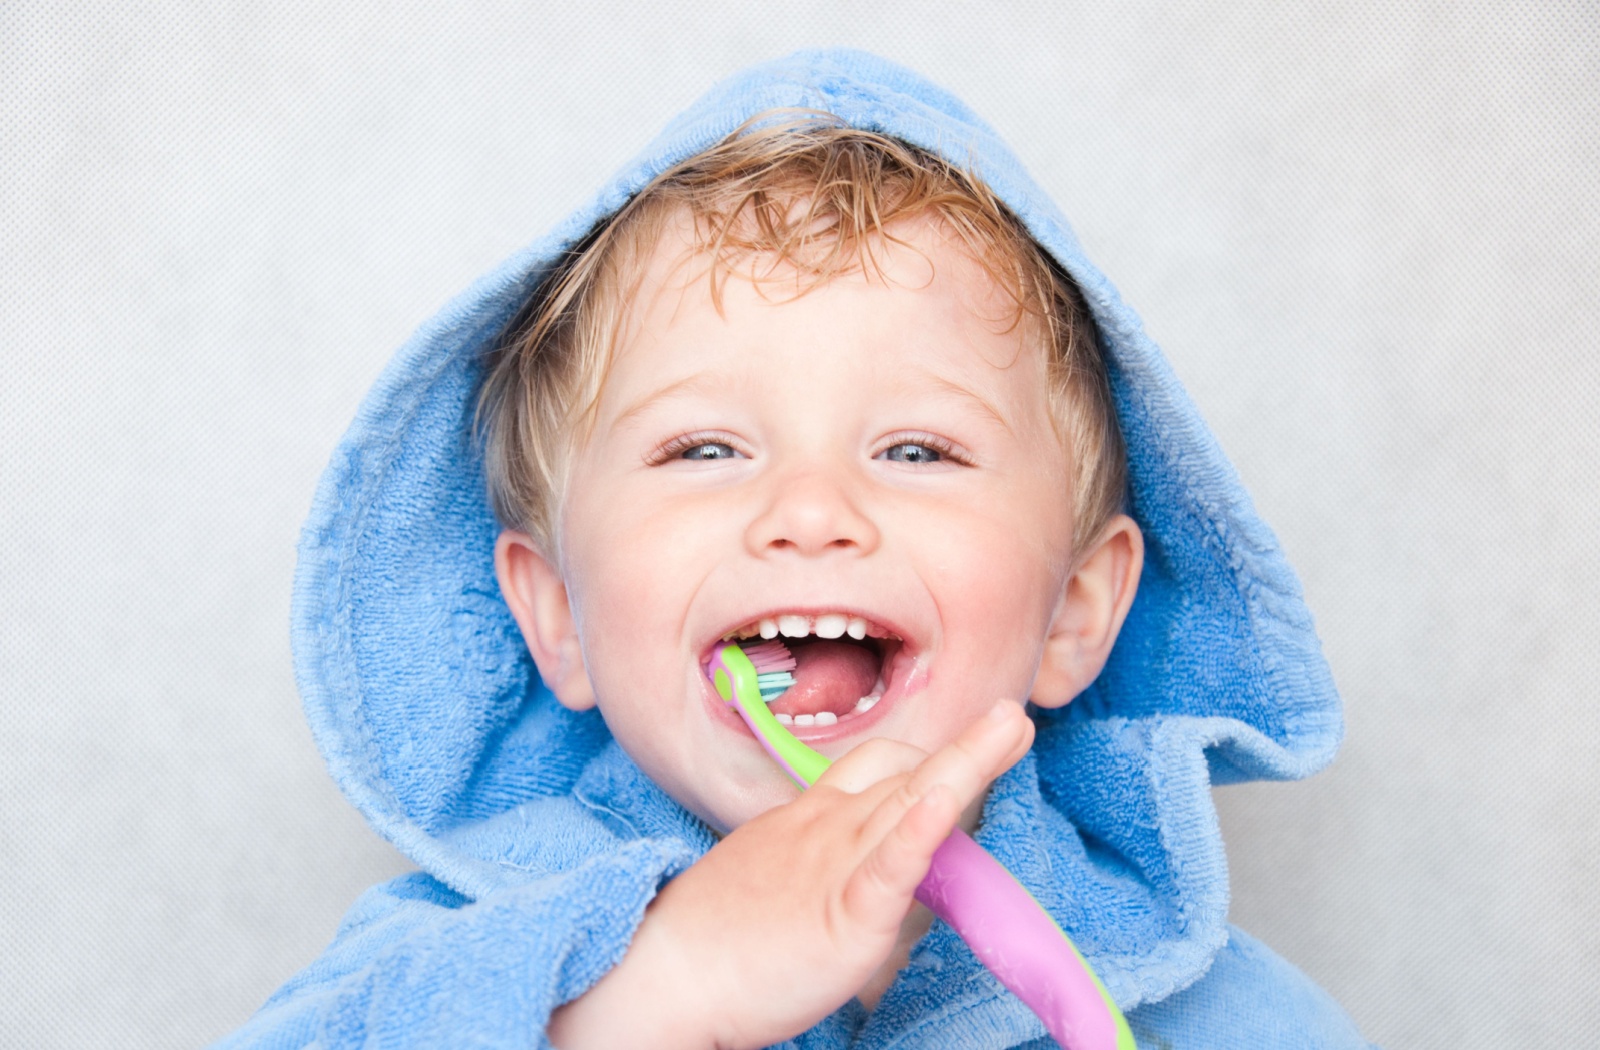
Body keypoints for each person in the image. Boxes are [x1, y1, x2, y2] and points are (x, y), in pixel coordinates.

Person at [218, 50, 1373, 1048]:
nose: (810, 510)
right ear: (558, 613)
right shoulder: (439, 965)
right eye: (704, 448)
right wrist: (656, 992)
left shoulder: (1202, 1011)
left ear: (1073, 611)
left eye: (916, 450)